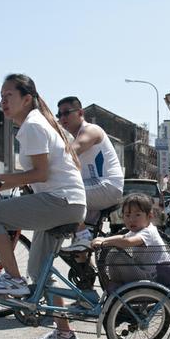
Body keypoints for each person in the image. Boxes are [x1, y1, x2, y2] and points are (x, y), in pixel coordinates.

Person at [0, 73, 87, 339]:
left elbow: (39, 173)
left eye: (8, 96)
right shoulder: (34, 124)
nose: (3, 101)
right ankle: (65, 333)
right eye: (1, 97)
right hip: (65, 202)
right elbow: (37, 176)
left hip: (60, 202)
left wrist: (0, 177)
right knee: (38, 271)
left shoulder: (33, 126)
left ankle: (13, 280)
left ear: (27, 99)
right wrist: (1, 180)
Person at [56, 96, 124, 251]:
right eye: (59, 115)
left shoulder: (90, 130)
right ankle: (86, 270)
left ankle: (84, 236)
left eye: (66, 113)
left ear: (80, 112)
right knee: (79, 250)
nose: (62, 118)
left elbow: (70, 153)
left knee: (59, 193)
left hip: (107, 186)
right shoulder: (72, 136)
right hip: (93, 189)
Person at [92, 193, 170, 293]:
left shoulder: (148, 232)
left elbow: (127, 242)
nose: (132, 219)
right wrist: (103, 239)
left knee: (115, 255)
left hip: (150, 277)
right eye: (127, 215)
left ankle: (117, 286)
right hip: (143, 273)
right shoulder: (137, 231)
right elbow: (123, 237)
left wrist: (104, 243)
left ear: (149, 216)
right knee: (116, 254)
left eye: (137, 215)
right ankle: (117, 286)